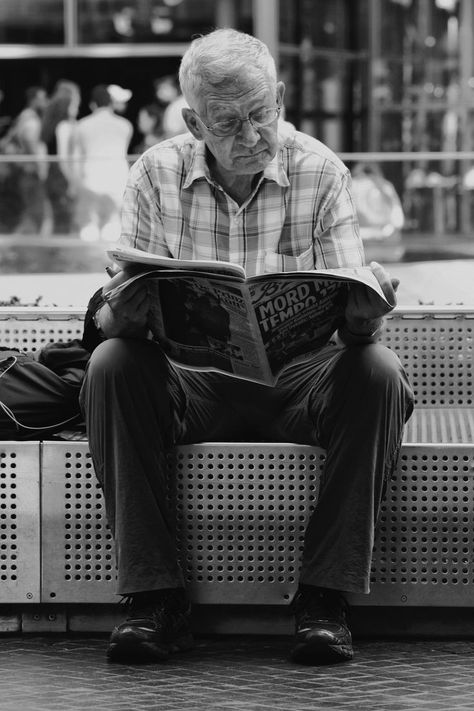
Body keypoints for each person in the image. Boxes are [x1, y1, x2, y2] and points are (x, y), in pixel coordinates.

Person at [80, 29, 414, 666]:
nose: (251, 135)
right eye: (227, 122)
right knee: (111, 364)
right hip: (191, 381)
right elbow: (123, 312)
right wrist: (121, 317)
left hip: (300, 379)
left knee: (378, 371)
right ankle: (154, 599)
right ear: (193, 120)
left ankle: (324, 597)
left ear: (281, 98)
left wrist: (366, 320)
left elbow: (354, 325)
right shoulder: (154, 173)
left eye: (262, 112)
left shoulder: (320, 171)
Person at [75, 85, 133, 241]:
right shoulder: (125, 125)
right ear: (110, 103)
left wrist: (75, 182)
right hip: (118, 176)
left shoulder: (82, 125)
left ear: (92, 104)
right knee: (113, 225)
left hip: (91, 177)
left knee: (89, 227)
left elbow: (78, 156)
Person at [0, 86, 49, 235]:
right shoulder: (30, 118)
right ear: (34, 100)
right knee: (35, 214)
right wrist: (39, 165)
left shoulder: (25, 116)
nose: (45, 102)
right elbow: (28, 140)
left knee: (27, 213)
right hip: (29, 173)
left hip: (25, 173)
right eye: (42, 98)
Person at [40, 81, 82, 236]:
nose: (77, 107)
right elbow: (63, 159)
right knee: (64, 223)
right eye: (75, 103)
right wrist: (73, 182)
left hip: (53, 176)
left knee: (54, 220)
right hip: (62, 178)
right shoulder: (64, 126)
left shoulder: (51, 126)